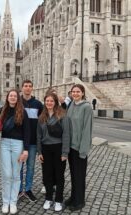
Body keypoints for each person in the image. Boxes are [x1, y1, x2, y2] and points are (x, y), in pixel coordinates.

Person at [37, 92, 71, 212]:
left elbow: (66, 134)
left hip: (58, 148)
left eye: (52, 101)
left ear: (56, 102)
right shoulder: (42, 116)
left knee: (59, 175)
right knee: (47, 175)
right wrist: (39, 152)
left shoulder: (62, 115)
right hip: (46, 149)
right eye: (47, 101)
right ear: (45, 102)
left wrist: (65, 153)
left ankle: (58, 200)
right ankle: (48, 198)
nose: (49, 103)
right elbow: (38, 135)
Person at [0, 89, 30, 214]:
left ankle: (13, 202)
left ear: (18, 98)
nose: (12, 97)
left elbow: (27, 131)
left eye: (14, 96)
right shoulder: (3, 111)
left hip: (18, 144)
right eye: (10, 96)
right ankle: (5, 201)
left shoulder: (23, 112)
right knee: (6, 174)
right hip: (5, 144)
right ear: (7, 98)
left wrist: (26, 150)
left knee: (16, 174)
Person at [65, 84, 93, 212]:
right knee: (73, 174)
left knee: (80, 175)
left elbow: (87, 129)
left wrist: (83, 150)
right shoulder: (71, 105)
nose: (75, 94)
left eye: (78, 92)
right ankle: (73, 197)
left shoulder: (87, 107)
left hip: (79, 148)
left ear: (82, 93)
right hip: (71, 147)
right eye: (73, 92)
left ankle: (79, 201)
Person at [19, 80, 43, 202]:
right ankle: (18, 189)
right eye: (25, 86)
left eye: (29, 86)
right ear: (22, 88)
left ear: (32, 88)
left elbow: (44, 121)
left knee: (30, 167)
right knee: (19, 167)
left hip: (33, 141)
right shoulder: (17, 102)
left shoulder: (38, 104)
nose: (27, 88)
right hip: (19, 141)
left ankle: (28, 189)